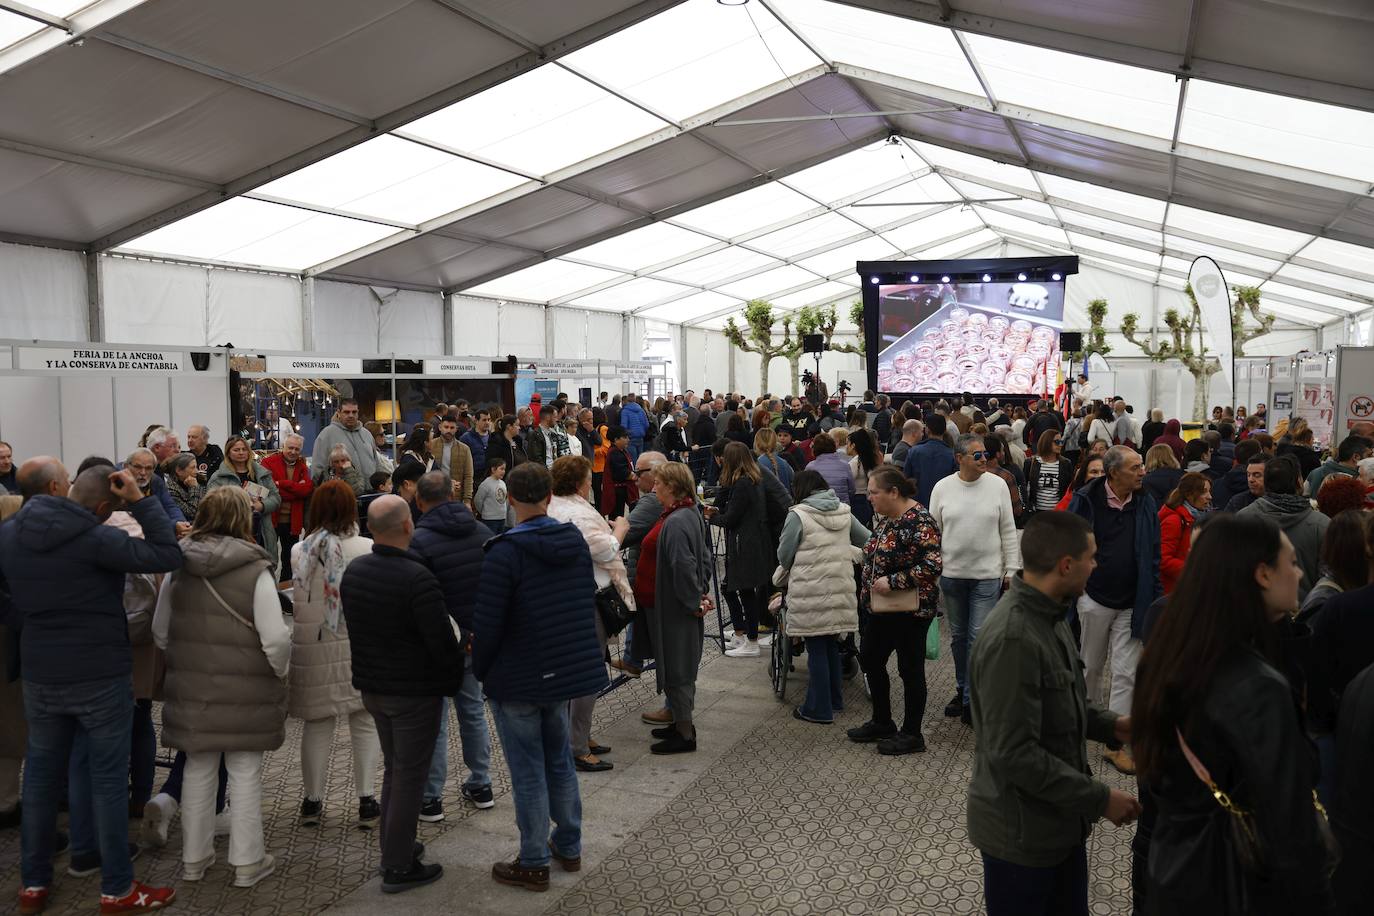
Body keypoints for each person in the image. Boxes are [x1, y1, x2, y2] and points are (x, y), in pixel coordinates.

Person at [1131, 513, 1335, 914]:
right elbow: (1291, 825)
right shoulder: (1256, 686)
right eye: (1291, 562)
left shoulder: (1173, 654)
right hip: (1238, 885)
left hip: (1175, 870)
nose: (1299, 573)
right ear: (1262, 574)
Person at [3, 462, 182, 914]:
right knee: (106, 780)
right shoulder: (98, 539)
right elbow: (167, 553)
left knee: (40, 779)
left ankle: (34, 884)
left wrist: (27, 621)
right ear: (104, 505)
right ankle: (117, 888)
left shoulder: (9, 534)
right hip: (99, 671)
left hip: (41, 670)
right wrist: (141, 501)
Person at [968, 511, 1138, 916]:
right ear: (1066, 565)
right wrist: (1100, 798)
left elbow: (1061, 700)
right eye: (1091, 557)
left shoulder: (1050, 613)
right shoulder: (1015, 637)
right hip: (1022, 840)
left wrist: (1116, 725)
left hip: (1054, 827)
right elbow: (1014, 754)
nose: (1096, 565)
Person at [472, 463, 608, 890]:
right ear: (549, 497)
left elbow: (489, 624)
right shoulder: (573, 542)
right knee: (560, 760)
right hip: (563, 671)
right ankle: (568, 844)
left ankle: (532, 860)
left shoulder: (504, 552)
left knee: (528, 768)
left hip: (519, 676)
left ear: (509, 499)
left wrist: (482, 671)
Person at [154, 486, 289, 889]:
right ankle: (247, 862)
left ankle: (195, 861)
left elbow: (161, 631)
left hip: (194, 688)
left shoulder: (178, 566)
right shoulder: (254, 569)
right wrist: (278, 671)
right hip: (246, 689)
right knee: (245, 769)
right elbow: (276, 639)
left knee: (197, 768)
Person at [342, 495, 462, 894]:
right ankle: (396, 864)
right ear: (408, 526)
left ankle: (397, 845)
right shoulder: (417, 578)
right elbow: (441, 641)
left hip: (374, 687)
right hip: (412, 691)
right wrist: (452, 679)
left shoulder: (355, 572)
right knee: (409, 776)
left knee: (396, 770)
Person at [288, 480, 380, 830]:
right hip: (358, 643)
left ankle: (312, 800)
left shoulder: (300, 551)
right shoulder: (367, 548)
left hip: (314, 646)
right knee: (364, 721)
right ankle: (367, 799)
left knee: (317, 724)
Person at [1067, 445, 1161, 775]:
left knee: (1127, 672)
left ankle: (1114, 743)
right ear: (1113, 473)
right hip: (1093, 596)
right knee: (1090, 666)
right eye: (1135, 467)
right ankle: (1083, 727)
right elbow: (1070, 545)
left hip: (1134, 600)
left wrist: (1153, 595)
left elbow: (1153, 552)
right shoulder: (1086, 500)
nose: (1142, 472)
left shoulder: (1146, 502)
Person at [411, 471, 497, 823]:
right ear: (453, 495)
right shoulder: (483, 533)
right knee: (473, 710)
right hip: (475, 640)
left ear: (420, 501)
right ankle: (481, 784)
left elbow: (419, 601)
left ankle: (431, 798)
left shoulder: (418, 541)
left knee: (435, 720)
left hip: (436, 644)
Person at [849, 465, 943, 755]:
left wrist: (892, 581)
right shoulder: (889, 518)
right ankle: (882, 721)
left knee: (909, 669)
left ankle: (912, 734)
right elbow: (875, 550)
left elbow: (932, 564)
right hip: (881, 609)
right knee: (871, 659)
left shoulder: (920, 521)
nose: (870, 497)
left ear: (894, 492)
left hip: (909, 610)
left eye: (874, 492)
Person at [928, 434, 1020, 726]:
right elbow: (933, 534)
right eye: (977, 455)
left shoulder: (997, 486)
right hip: (953, 577)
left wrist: (1012, 568)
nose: (984, 459)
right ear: (959, 459)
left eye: (985, 454)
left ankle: (972, 699)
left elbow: (1008, 528)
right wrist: (932, 571)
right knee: (959, 639)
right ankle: (962, 689)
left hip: (987, 576)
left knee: (978, 638)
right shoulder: (942, 488)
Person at [548, 457, 631, 773]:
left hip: (567, 596)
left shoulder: (554, 504)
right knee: (587, 674)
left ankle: (577, 735)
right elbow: (604, 550)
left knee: (578, 672)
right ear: (580, 482)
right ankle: (577, 746)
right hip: (589, 597)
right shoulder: (577, 512)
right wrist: (620, 529)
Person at [775, 470, 868, 724]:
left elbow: (784, 556)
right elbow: (868, 541)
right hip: (840, 587)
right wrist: (844, 550)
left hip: (810, 590)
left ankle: (818, 709)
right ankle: (834, 700)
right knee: (829, 644)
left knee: (816, 647)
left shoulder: (799, 515)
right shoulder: (844, 510)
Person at [635, 462, 712, 754]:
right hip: (669, 605)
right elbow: (703, 556)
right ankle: (679, 722)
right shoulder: (686, 513)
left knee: (678, 668)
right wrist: (701, 592)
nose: (654, 488)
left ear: (671, 487)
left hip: (673, 608)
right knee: (675, 665)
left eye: (658, 484)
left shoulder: (678, 520)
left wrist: (694, 600)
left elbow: (684, 564)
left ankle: (684, 732)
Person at [1239, 455, 1329, 603]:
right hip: (1306, 615)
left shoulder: (1241, 520)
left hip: (1254, 613)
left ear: (1266, 483)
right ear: (1299, 482)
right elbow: (1328, 580)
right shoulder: (1322, 525)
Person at [209, 435, 283, 577]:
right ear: (228, 453)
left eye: (244, 449)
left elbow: (276, 497)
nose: (241, 452)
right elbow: (212, 504)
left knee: (263, 574)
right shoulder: (218, 478)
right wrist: (238, 505)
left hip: (262, 531)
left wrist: (262, 505)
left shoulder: (262, 474)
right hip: (233, 532)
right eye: (236, 450)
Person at [261, 433, 314, 581]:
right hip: (271, 519)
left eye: (297, 449)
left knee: (289, 560)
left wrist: (282, 484)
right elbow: (270, 491)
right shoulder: (268, 462)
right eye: (290, 448)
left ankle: (286, 591)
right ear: (283, 446)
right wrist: (295, 489)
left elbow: (306, 490)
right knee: (268, 557)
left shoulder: (302, 466)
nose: (293, 452)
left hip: (292, 521)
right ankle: (267, 588)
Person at [1157, 472, 1211, 594]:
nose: (1209, 497)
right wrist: (1194, 570)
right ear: (1189, 495)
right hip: (1175, 590)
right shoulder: (1174, 521)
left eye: (1209, 491)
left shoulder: (1197, 517)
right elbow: (1163, 559)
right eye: (1204, 492)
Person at [310, 399, 379, 486]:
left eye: (354, 412)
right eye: (346, 412)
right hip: (343, 494)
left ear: (358, 413)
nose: (351, 415)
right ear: (338, 413)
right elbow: (318, 470)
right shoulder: (326, 435)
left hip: (372, 492)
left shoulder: (366, 434)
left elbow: (376, 462)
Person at [902, 414, 957, 508]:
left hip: (918, 505)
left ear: (927, 430)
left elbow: (906, 480)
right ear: (944, 430)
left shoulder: (914, 451)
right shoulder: (952, 455)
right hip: (943, 504)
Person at [427, 414, 475, 506]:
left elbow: (468, 476)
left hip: (456, 496)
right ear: (440, 427)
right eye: (446, 427)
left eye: (452, 427)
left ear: (456, 429)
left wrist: (467, 500)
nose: (448, 430)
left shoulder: (464, 449)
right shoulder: (431, 446)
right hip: (434, 495)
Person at [1024, 428, 1073, 513]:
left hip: (1058, 512)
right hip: (1036, 513)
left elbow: (1069, 489)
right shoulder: (1031, 463)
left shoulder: (1065, 464)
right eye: (1057, 442)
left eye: (1061, 442)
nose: (1060, 445)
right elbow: (1024, 487)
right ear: (1046, 442)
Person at [1307, 435, 1372, 498]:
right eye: (1369, 455)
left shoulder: (1315, 473)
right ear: (1356, 457)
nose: (1372, 459)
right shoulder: (1359, 481)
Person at [600, 426, 637, 519]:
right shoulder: (615, 453)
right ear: (616, 439)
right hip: (617, 491)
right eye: (625, 437)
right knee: (617, 516)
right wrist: (635, 475)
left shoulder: (621, 451)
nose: (628, 440)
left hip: (623, 489)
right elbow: (624, 473)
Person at [163, 452, 204, 524]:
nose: (197, 471)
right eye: (192, 468)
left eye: (196, 467)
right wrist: (194, 488)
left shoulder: (199, 481)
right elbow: (191, 513)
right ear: (179, 471)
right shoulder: (170, 490)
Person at [473, 459, 510, 535]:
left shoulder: (502, 483)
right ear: (493, 469)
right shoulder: (486, 484)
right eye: (501, 469)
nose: (503, 471)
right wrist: (484, 512)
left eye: (504, 469)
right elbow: (478, 500)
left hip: (502, 517)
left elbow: (504, 499)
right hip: (490, 519)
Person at [460, 410, 494, 486]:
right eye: (484, 420)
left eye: (489, 420)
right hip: (474, 478)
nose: (487, 422)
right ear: (476, 421)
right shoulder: (466, 438)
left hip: (490, 476)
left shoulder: (493, 437)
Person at [618, 393, 650, 460]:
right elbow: (647, 424)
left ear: (627, 400)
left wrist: (628, 434)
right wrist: (642, 431)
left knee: (633, 460)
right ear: (635, 400)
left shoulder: (625, 411)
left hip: (630, 438)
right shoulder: (641, 410)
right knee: (640, 459)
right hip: (641, 437)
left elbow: (624, 426)